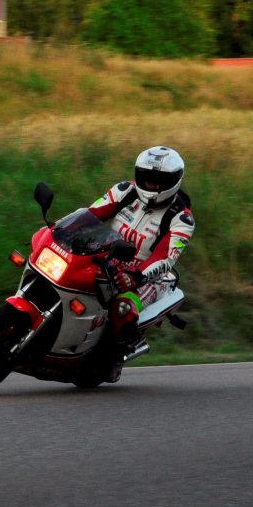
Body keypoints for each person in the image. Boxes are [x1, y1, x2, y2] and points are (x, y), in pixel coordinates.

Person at [87, 146, 195, 382]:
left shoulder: (182, 219)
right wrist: (59, 229)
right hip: (109, 260)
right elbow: (91, 214)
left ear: (173, 182)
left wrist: (135, 277)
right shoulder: (124, 191)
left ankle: (114, 356)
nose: (150, 184)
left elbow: (165, 257)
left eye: (158, 181)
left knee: (123, 306)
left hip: (147, 276)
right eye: (145, 177)